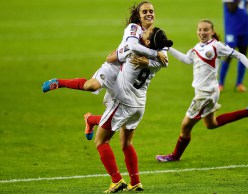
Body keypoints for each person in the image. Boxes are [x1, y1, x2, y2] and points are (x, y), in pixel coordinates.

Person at [42, 1, 167, 140]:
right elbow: (131, 47)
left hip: (128, 73)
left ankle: (91, 120)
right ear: (138, 15)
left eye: (151, 11)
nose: (149, 14)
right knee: (91, 86)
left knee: (119, 116)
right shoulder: (134, 28)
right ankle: (59, 82)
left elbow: (165, 61)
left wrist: (149, 61)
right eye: (145, 12)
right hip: (115, 64)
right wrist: (154, 54)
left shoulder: (156, 35)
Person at [155, 19, 248, 162]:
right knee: (211, 124)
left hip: (205, 95)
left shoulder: (216, 46)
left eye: (206, 30)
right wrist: (168, 47)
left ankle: (175, 156)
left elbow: (240, 55)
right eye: (199, 29)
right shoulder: (197, 46)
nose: (202, 32)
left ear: (212, 31)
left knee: (185, 126)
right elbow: (187, 60)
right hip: (207, 92)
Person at [94, 26, 173, 193]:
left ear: (147, 42)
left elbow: (110, 58)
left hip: (124, 103)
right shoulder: (158, 63)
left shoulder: (134, 53)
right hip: (139, 106)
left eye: (144, 34)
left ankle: (116, 180)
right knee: (126, 143)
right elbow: (164, 61)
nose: (141, 33)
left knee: (101, 141)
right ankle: (136, 182)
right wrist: (156, 54)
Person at [219, 0, 248, 92]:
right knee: (228, 55)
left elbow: (247, 5)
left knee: (243, 55)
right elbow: (231, 8)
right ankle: (220, 84)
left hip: (245, 27)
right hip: (232, 29)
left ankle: (239, 84)